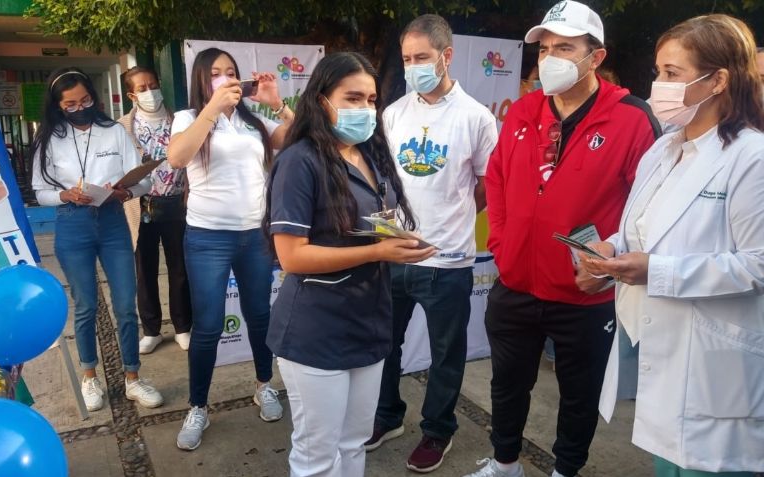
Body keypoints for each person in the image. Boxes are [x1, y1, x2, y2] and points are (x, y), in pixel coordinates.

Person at [466, 2, 661, 477]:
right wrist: (503, 246)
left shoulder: (632, 119)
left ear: (596, 57)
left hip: (585, 293)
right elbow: (498, 180)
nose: (550, 58)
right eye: (545, 48)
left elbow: (651, 207)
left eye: (565, 48)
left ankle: (566, 470)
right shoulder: (523, 111)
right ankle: (505, 464)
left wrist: (609, 260)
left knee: (579, 395)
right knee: (507, 385)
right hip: (516, 284)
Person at [582, 14, 764, 477]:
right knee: (669, 462)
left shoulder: (752, 157)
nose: (658, 85)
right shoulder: (664, 150)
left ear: (718, 80)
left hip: (715, 367)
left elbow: (758, 263)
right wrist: (611, 250)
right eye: (658, 71)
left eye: (672, 73)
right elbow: (645, 229)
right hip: (662, 352)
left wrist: (656, 271)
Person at [264, 51, 435, 477]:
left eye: (371, 100)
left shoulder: (369, 156)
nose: (365, 109)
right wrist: (377, 252)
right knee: (318, 456)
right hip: (316, 330)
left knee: (354, 442)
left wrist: (396, 239)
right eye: (353, 98)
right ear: (321, 100)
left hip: (368, 323)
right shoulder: (299, 161)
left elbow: (369, 224)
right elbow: (292, 256)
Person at [364, 13, 499, 474]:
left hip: (449, 260)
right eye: (406, 59)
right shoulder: (393, 114)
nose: (413, 67)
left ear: (446, 56)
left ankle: (438, 430)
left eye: (421, 57)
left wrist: (453, 220)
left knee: (446, 353)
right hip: (395, 252)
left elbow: (487, 183)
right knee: (384, 344)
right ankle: (387, 416)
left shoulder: (476, 117)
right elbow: (382, 179)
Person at [167, 48, 294, 451]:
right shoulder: (188, 117)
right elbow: (177, 157)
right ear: (202, 81)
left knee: (259, 315)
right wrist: (212, 109)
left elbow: (297, 138)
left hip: (254, 235)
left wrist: (278, 105)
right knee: (208, 326)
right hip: (207, 237)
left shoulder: (252, 122)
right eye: (215, 73)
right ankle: (198, 407)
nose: (226, 79)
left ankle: (264, 385)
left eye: (231, 72)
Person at [31, 67, 164, 412]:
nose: (80, 108)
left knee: (125, 304)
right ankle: (90, 376)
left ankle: (133, 377)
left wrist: (125, 191)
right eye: (71, 105)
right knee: (86, 304)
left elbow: (144, 182)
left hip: (112, 221)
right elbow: (40, 192)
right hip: (72, 223)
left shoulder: (113, 132)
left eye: (86, 100)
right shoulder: (49, 138)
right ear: (58, 106)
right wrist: (65, 195)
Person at [118, 66, 191, 354]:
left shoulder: (181, 120)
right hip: (141, 206)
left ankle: (183, 327)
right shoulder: (122, 127)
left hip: (177, 204)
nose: (150, 92)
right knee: (144, 271)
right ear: (132, 95)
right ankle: (151, 330)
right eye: (142, 88)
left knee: (180, 268)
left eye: (153, 85)